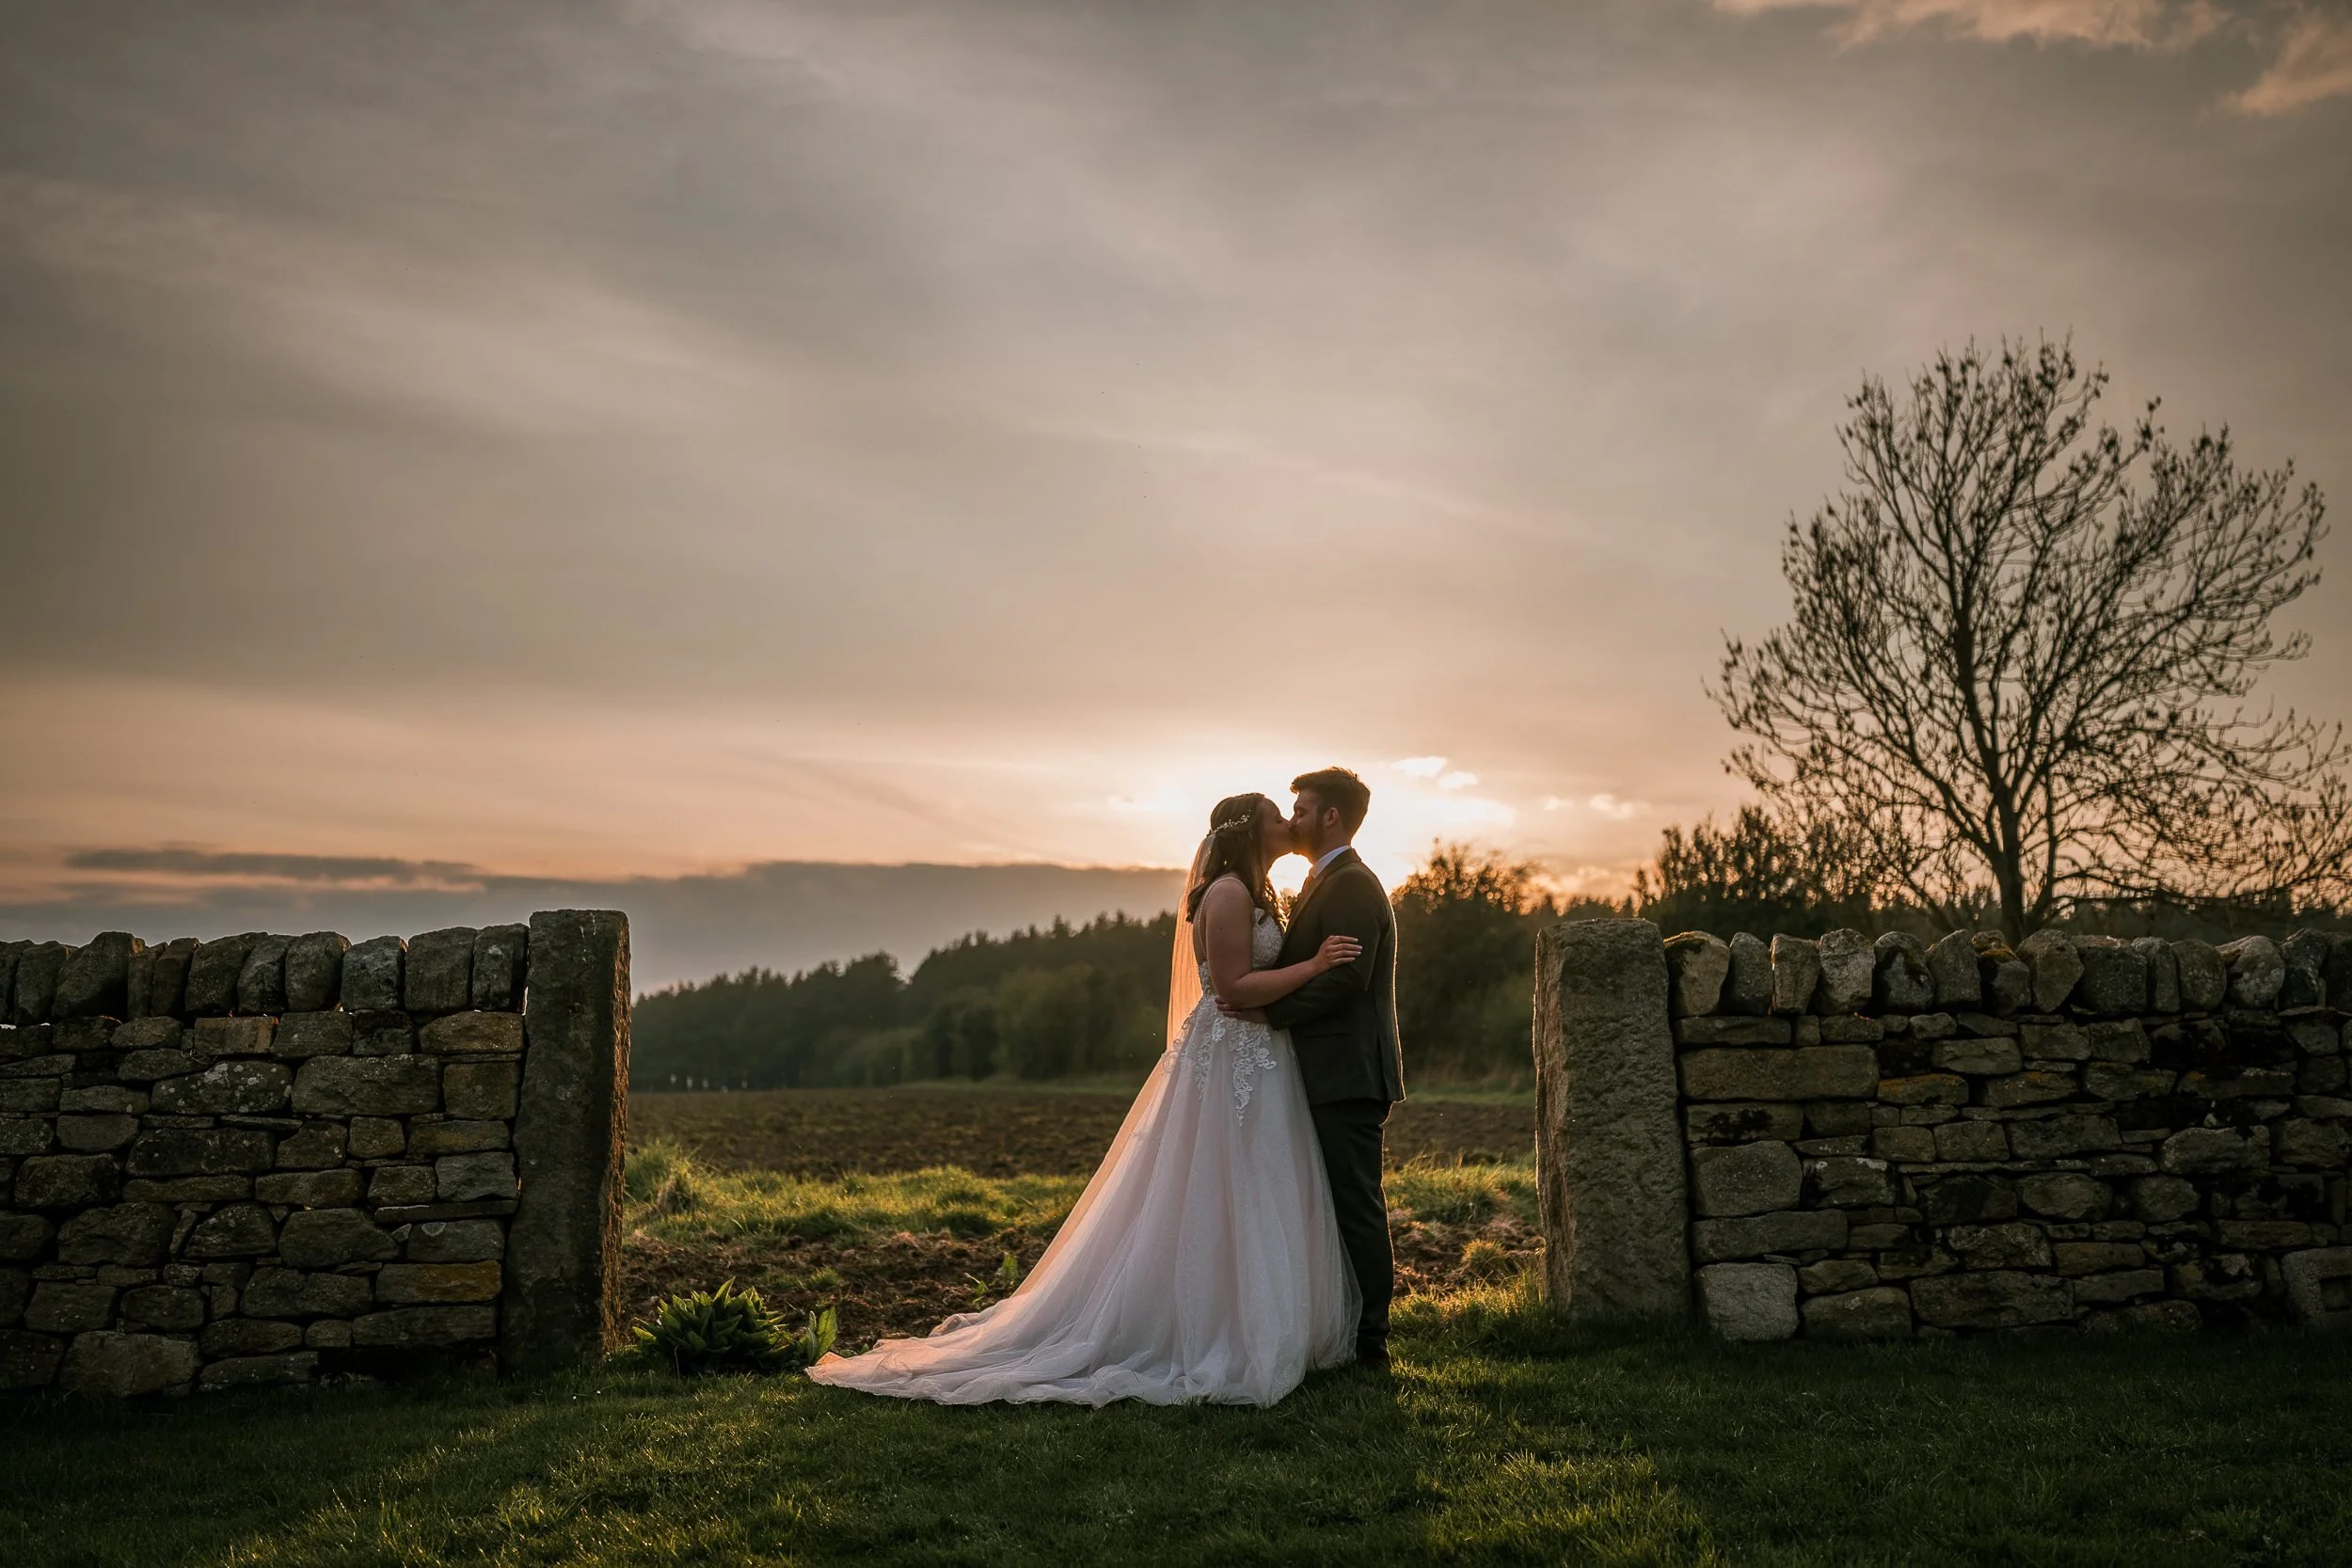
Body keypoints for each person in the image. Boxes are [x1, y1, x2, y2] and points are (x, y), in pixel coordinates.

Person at [804, 791, 1362, 1405]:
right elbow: (1232, 984)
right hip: (1229, 1055)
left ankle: (1262, 1320)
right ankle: (1208, 1331)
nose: (1287, 823)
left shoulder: (1258, 893)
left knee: (1260, 1184)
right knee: (1215, 1187)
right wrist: (1312, 967)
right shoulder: (1229, 893)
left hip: (1259, 1057)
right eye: (1275, 817)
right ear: (1250, 832)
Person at [1226, 766, 1403, 1369]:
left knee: (1356, 1203)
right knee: (1332, 1203)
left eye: (1301, 809)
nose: (1293, 819)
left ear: (1331, 817)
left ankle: (1373, 1342)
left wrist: (1270, 1013)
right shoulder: (1324, 883)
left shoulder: (1352, 885)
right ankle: (1341, 1327)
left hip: (1348, 1073)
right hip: (1325, 1071)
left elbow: (1348, 979)